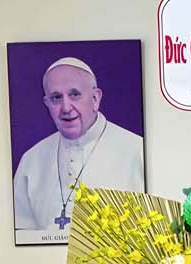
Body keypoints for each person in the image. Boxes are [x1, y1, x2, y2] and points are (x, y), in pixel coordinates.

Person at [12, 58, 145, 237]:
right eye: (56, 98)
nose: (66, 108)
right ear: (47, 103)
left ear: (95, 99)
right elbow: (21, 235)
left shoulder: (137, 151)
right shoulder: (31, 160)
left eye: (74, 94)